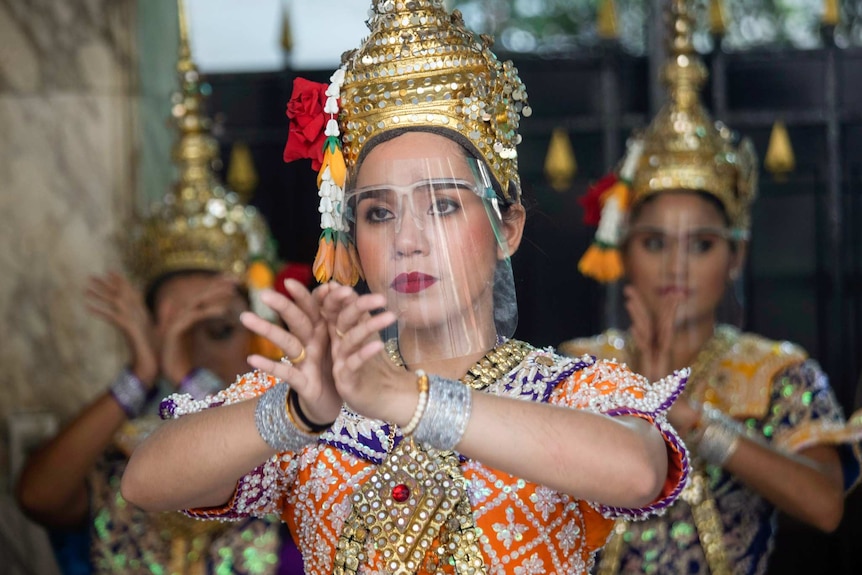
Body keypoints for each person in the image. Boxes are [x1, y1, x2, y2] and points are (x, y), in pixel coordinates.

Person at [121, 1, 690, 573]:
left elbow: (639, 473)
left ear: (507, 228)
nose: (407, 240)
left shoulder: (568, 391)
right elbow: (145, 481)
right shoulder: (322, 395)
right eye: (377, 213)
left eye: (442, 205)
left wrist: (412, 399)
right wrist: (294, 414)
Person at [561, 1, 862, 573]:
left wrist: (701, 424)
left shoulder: (776, 373)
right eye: (654, 243)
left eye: (700, 244)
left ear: (735, 255)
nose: (677, 264)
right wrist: (633, 412)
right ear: (622, 252)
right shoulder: (576, 369)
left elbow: (827, 507)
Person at [14, 7, 303, 573]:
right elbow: (37, 498)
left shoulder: (293, 434)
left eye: (215, 330)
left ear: (260, 327)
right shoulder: (119, 454)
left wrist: (185, 375)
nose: (190, 351)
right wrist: (141, 376)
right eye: (171, 331)